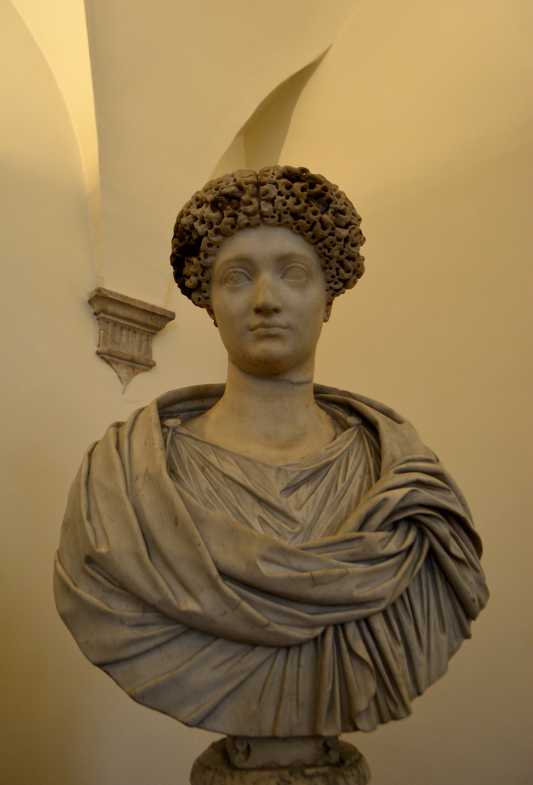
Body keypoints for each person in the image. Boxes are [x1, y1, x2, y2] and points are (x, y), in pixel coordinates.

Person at [54, 166, 488, 739]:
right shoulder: (123, 483)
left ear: (327, 298)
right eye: (237, 277)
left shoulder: (406, 489)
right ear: (210, 302)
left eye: (293, 274)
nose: (266, 300)